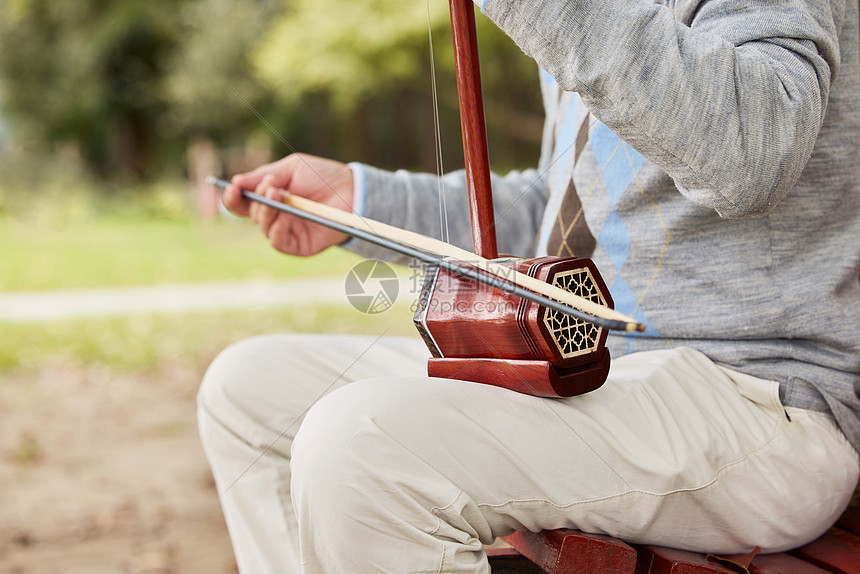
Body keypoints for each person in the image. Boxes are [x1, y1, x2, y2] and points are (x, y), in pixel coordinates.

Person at [197, 1, 860, 572]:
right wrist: (360, 199)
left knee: (360, 446)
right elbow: (563, 212)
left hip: (755, 399)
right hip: (581, 365)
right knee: (248, 389)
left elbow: (753, 148)